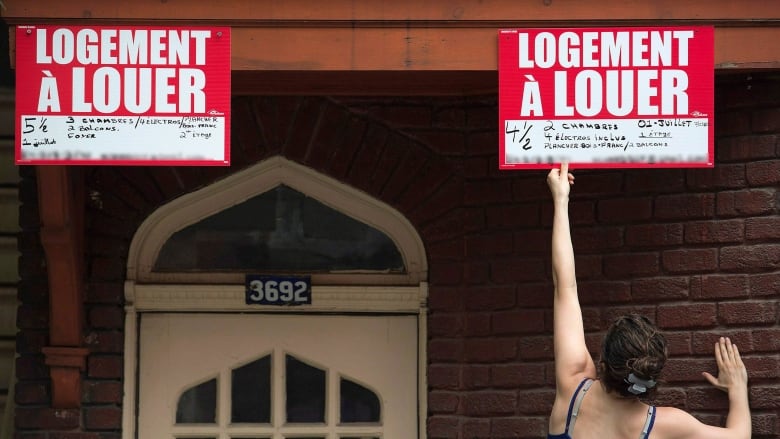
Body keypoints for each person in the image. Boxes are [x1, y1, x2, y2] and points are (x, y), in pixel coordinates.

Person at [546, 163, 751, 439]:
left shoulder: (572, 389)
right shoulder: (667, 425)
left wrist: (560, 200)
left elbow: (565, 286)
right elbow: (740, 436)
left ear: (603, 364)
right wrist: (738, 390)